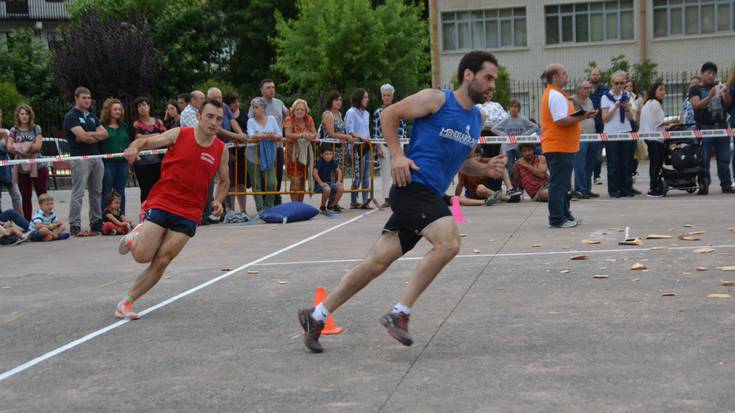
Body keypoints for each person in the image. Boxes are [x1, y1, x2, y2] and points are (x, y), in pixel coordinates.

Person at [298, 50, 507, 353]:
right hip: (412, 187)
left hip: (428, 195)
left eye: (495, 80)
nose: (492, 85)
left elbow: (461, 162)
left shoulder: (475, 119)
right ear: (468, 75)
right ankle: (400, 313)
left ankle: (316, 315)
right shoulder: (437, 99)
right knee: (449, 243)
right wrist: (397, 155)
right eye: (488, 78)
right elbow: (388, 114)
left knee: (377, 262)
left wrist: (485, 169)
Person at [114, 99, 229, 320]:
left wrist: (219, 200)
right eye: (210, 116)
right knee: (142, 256)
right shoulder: (180, 134)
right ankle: (136, 235)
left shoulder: (221, 150)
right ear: (198, 117)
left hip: (190, 211)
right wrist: (133, 148)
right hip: (164, 200)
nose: (214, 122)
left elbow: (224, 181)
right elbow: (147, 141)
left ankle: (126, 302)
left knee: (163, 259)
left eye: (218, 118)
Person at [541, 64, 596, 228]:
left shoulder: (555, 94)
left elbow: (562, 118)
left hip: (560, 146)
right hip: (559, 146)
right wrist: (582, 117)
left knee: (562, 183)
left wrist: (580, 117)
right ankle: (557, 218)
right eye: (564, 73)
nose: (567, 76)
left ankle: (565, 215)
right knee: (559, 184)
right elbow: (560, 120)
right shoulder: (555, 95)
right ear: (555, 77)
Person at [63, 87, 108, 236]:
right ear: (76, 98)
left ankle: (96, 222)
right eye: (84, 98)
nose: (87, 100)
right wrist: (92, 135)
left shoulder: (91, 116)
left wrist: (89, 134)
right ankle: (75, 224)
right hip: (80, 158)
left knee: (96, 192)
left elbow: (105, 134)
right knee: (78, 192)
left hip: (96, 157)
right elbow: (83, 138)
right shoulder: (71, 116)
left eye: (89, 98)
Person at [689, 62, 733, 194]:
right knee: (704, 157)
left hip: (722, 126)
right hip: (705, 126)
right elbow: (696, 105)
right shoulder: (695, 89)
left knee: (724, 158)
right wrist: (709, 96)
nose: (711, 76)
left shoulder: (719, 87)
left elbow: (728, 104)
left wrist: (725, 94)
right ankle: (704, 184)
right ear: (702, 74)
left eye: (714, 73)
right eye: (708, 73)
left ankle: (726, 184)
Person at [206, 87, 247, 225]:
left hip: (226, 147)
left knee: (226, 179)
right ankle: (211, 210)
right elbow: (218, 128)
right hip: (212, 146)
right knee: (212, 180)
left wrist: (240, 133)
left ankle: (225, 209)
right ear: (208, 98)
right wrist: (237, 136)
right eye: (214, 97)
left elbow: (232, 121)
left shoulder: (224, 107)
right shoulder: (207, 110)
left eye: (219, 97)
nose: (218, 100)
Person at [248, 79, 290, 206]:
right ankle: (263, 205)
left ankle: (275, 201)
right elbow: (251, 120)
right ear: (262, 90)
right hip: (259, 147)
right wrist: (265, 135)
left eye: (273, 87)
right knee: (261, 178)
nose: (272, 90)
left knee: (276, 176)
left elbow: (289, 115)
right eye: (268, 87)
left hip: (276, 145)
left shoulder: (279, 102)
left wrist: (285, 126)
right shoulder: (256, 103)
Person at [601, 71, 637, 198]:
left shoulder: (626, 95)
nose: (619, 85)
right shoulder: (605, 97)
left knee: (626, 162)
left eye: (622, 83)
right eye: (617, 83)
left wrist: (627, 107)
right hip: (611, 133)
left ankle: (626, 188)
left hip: (625, 131)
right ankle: (613, 189)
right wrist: (616, 106)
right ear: (612, 83)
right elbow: (605, 118)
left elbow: (631, 118)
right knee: (613, 163)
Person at [639, 80, 678, 197]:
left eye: (664, 89)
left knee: (654, 163)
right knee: (656, 163)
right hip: (655, 138)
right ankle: (653, 187)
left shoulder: (649, 103)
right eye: (660, 89)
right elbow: (658, 123)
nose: (663, 92)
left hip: (650, 137)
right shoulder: (655, 104)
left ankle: (654, 186)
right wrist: (674, 120)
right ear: (654, 91)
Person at [373, 84, 407, 208]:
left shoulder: (398, 109)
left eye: (388, 95)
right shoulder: (378, 112)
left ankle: (399, 197)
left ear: (392, 96)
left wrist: (400, 144)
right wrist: (377, 146)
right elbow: (376, 131)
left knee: (398, 171)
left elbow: (403, 128)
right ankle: (387, 199)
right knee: (385, 173)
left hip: (397, 144)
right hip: (383, 144)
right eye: (384, 95)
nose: (386, 98)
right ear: (381, 97)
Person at [246, 97, 281, 214]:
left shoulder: (271, 119)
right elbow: (251, 136)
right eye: (253, 107)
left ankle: (269, 206)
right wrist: (268, 135)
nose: (254, 109)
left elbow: (279, 135)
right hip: (253, 155)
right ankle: (260, 209)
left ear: (263, 108)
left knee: (272, 183)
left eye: (257, 107)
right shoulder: (250, 121)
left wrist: (262, 135)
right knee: (256, 184)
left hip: (268, 155)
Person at [491, 99, 540, 177]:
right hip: (509, 148)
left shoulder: (523, 119)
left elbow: (535, 127)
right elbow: (494, 129)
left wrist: (525, 135)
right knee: (511, 168)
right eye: (511, 107)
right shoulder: (506, 120)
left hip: (520, 147)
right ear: (509, 108)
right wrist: (504, 135)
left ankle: (522, 186)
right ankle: (513, 187)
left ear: (519, 109)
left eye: (516, 107)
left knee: (522, 167)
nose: (513, 109)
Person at [132, 96, 167, 204]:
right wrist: (156, 135)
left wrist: (145, 137)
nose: (142, 107)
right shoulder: (136, 124)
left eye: (144, 105)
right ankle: (145, 213)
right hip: (142, 162)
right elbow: (138, 138)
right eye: (139, 106)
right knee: (146, 189)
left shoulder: (158, 122)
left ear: (149, 106)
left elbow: (165, 136)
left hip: (158, 160)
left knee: (159, 188)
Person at [100, 98, 131, 215]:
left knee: (120, 191)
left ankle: (121, 215)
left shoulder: (124, 126)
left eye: (119, 109)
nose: (118, 111)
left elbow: (127, 144)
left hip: (122, 162)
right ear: (109, 111)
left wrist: (129, 163)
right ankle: (105, 216)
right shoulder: (102, 126)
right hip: (108, 163)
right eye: (115, 109)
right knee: (107, 191)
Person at [283, 99, 317, 203]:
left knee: (303, 179)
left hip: (305, 153)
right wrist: (302, 135)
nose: (300, 111)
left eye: (302, 109)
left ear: (306, 111)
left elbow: (314, 133)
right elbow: (288, 134)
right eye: (297, 109)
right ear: (293, 110)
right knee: (295, 179)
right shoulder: (289, 119)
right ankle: (294, 204)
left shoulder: (309, 119)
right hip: (292, 154)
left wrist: (309, 136)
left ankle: (300, 204)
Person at [571, 81, 599, 199]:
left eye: (589, 88)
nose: (589, 90)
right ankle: (580, 189)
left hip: (592, 135)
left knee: (590, 164)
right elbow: (573, 117)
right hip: (581, 136)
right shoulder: (573, 100)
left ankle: (587, 188)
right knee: (580, 164)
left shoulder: (590, 101)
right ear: (579, 89)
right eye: (586, 88)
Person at [345, 88, 373, 209]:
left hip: (366, 146)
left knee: (366, 174)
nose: (367, 100)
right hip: (356, 147)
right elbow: (350, 131)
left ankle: (365, 200)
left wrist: (369, 141)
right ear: (359, 98)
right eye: (365, 97)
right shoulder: (351, 112)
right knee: (357, 175)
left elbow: (367, 131)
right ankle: (353, 200)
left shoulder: (367, 114)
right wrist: (361, 138)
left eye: (367, 97)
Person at [224, 91, 250, 216]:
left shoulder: (243, 112)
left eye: (237, 102)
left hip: (243, 152)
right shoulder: (224, 115)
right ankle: (231, 209)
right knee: (231, 182)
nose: (236, 104)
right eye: (234, 103)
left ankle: (243, 209)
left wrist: (243, 135)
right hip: (230, 151)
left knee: (241, 182)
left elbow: (248, 127)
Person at [318, 91, 354, 172]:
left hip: (340, 149)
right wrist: (347, 136)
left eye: (340, 100)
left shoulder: (339, 114)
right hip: (330, 149)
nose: (339, 102)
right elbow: (331, 134)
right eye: (336, 100)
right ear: (331, 101)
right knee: (331, 175)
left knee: (340, 175)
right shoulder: (327, 114)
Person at [588, 68, 608, 185]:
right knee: (589, 152)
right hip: (589, 125)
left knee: (598, 154)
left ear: (600, 76)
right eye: (593, 74)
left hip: (601, 125)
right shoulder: (586, 90)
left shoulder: (605, 90)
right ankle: (588, 174)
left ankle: (597, 176)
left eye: (597, 74)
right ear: (590, 76)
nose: (595, 76)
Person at [312, 145, 344, 214]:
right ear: (322, 155)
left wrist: (338, 181)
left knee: (340, 187)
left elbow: (339, 171)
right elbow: (314, 172)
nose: (329, 156)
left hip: (329, 183)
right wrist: (321, 183)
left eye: (330, 154)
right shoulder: (320, 161)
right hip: (319, 185)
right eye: (326, 154)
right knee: (327, 189)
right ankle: (322, 206)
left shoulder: (332, 161)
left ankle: (332, 205)